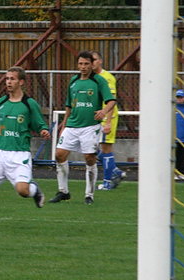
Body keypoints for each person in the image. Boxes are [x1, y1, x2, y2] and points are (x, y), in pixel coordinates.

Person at [0, 67, 51, 230]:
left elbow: (40, 123)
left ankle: (34, 190)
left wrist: (43, 130)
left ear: (21, 82)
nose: (8, 82)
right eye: (7, 78)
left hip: (19, 155)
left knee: (23, 191)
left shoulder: (29, 104)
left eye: (12, 79)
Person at [49, 51, 116, 206]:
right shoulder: (73, 81)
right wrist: (63, 124)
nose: (83, 67)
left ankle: (89, 194)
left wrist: (104, 112)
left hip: (90, 127)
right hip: (72, 125)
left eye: (86, 64)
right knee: (59, 155)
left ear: (92, 65)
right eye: (80, 64)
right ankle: (63, 191)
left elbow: (111, 101)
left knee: (89, 158)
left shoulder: (99, 81)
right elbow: (68, 105)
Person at [91, 51, 126, 190]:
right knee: (90, 148)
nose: (92, 63)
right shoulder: (92, 77)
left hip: (107, 117)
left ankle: (107, 182)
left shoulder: (107, 77)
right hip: (96, 118)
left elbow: (111, 101)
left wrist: (108, 121)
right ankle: (115, 171)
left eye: (94, 60)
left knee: (105, 149)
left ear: (100, 61)